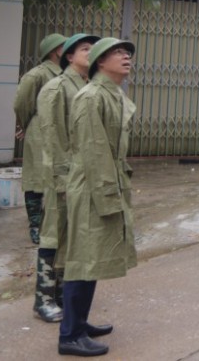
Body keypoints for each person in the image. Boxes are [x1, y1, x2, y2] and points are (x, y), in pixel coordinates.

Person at [59, 38, 137, 357]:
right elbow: (94, 151)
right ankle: (70, 335)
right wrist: (109, 196)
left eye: (127, 52)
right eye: (117, 53)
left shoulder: (112, 94)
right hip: (92, 186)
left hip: (104, 181)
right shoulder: (92, 97)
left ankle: (80, 322)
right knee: (82, 259)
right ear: (100, 63)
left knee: (92, 258)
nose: (126, 56)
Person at [33, 33, 100, 324]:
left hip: (83, 176)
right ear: (68, 57)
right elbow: (52, 137)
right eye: (85, 48)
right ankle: (43, 298)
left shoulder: (87, 86)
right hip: (62, 176)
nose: (91, 52)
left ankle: (61, 295)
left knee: (72, 237)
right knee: (53, 234)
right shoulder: (56, 88)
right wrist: (61, 180)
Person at [14, 32, 66, 245]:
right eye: (65, 46)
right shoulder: (37, 75)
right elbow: (21, 104)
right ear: (55, 51)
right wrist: (25, 125)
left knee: (59, 179)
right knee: (36, 181)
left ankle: (54, 224)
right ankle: (35, 226)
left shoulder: (66, 74)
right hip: (40, 132)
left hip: (61, 133)